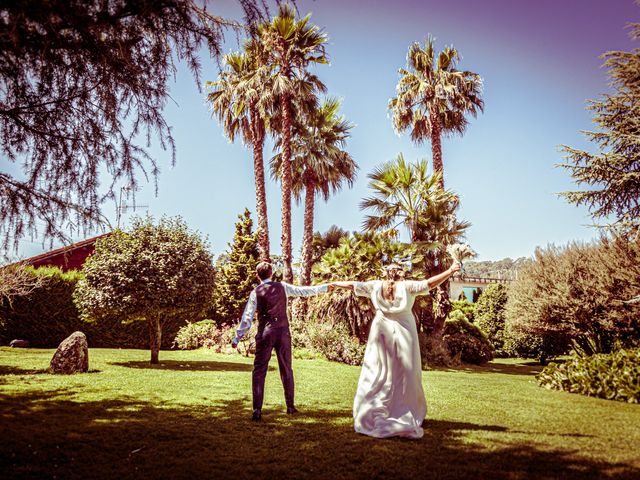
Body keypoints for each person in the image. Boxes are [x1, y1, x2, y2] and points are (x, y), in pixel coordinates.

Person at [333, 261, 461, 439]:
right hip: (404, 329)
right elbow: (430, 283)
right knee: (405, 371)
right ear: (400, 273)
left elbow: (352, 285)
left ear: (384, 273)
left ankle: (378, 407)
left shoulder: (374, 286)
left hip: (381, 329)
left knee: (377, 369)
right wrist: (450, 271)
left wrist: (334, 284)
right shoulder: (407, 286)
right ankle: (404, 409)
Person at [231, 261, 334, 421]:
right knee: (287, 369)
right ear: (271, 273)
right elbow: (303, 291)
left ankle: (257, 410)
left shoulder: (255, 292)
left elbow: (247, 317)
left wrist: (237, 337)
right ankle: (290, 407)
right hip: (283, 332)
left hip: (265, 333)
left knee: (259, 371)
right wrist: (325, 287)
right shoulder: (283, 287)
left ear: (257, 275)